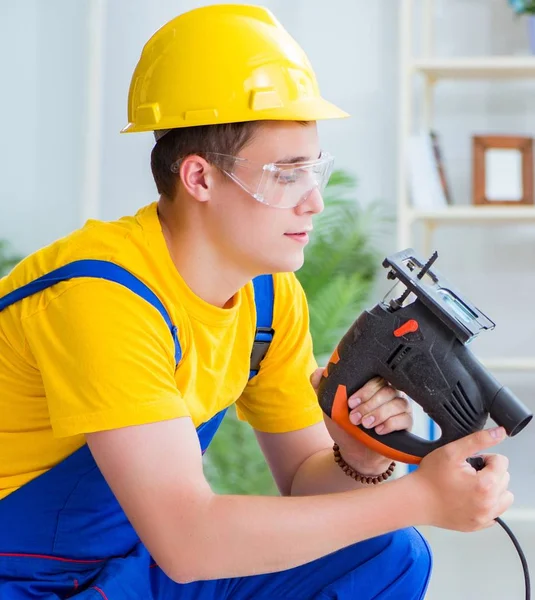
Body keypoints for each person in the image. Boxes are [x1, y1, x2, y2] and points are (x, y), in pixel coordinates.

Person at [0, 4, 512, 599]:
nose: (315, 201)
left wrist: (359, 456)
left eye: (316, 170)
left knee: (386, 555)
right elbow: (189, 540)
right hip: (18, 578)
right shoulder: (101, 296)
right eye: (287, 173)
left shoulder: (266, 298)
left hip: (124, 569)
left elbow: (303, 480)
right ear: (200, 179)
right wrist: (420, 497)